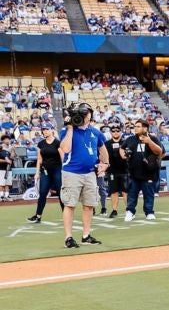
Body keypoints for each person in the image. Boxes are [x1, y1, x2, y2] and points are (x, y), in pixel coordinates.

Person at [59, 102, 108, 248]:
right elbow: (65, 148)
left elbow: (103, 149)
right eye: (82, 114)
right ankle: (68, 237)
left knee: (89, 205)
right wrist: (69, 128)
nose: (84, 116)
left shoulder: (95, 132)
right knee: (70, 204)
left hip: (90, 173)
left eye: (86, 113)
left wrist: (105, 163)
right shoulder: (68, 130)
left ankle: (86, 235)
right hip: (71, 172)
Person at [120, 119, 164, 221]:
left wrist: (149, 143)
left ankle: (149, 212)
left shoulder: (153, 138)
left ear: (145, 128)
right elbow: (122, 148)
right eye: (135, 126)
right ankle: (130, 212)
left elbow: (160, 152)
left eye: (138, 126)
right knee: (132, 194)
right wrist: (123, 156)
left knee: (148, 194)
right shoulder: (130, 139)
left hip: (148, 173)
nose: (135, 128)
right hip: (134, 173)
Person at [27, 123, 64, 223]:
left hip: (57, 170)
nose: (44, 131)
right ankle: (38, 216)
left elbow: (62, 158)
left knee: (61, 193)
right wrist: (37, 172)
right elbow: (39, 159)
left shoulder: (58, 143)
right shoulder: (41, 144)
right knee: (42, 193)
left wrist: (64, 171)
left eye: (46, 129)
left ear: (52, 130)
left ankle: (66, 214)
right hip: (45, 171)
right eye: (43, 129)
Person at [105, 123, 129, 218]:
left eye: (117, 131)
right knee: (113, 191)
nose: (115, 132)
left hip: (124, 170)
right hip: (112, 171)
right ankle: (114, 210)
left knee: (125, 191)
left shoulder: (125, 142)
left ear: (121, 132)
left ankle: (128, 209)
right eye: (113, 131)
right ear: (110, 132)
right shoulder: (106, 144)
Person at [0, 135, 13, 201]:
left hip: (8, 168)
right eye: (6, 139)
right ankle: (1, 196)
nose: (8, 140)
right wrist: (6, 161)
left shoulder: (9, 149)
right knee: (1, 184)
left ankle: (7, 196)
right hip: (1, 169)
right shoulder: (0, 148)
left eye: (9, 139)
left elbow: (12, 157)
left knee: (7, 183)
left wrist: (13, 150)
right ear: (3, 140)